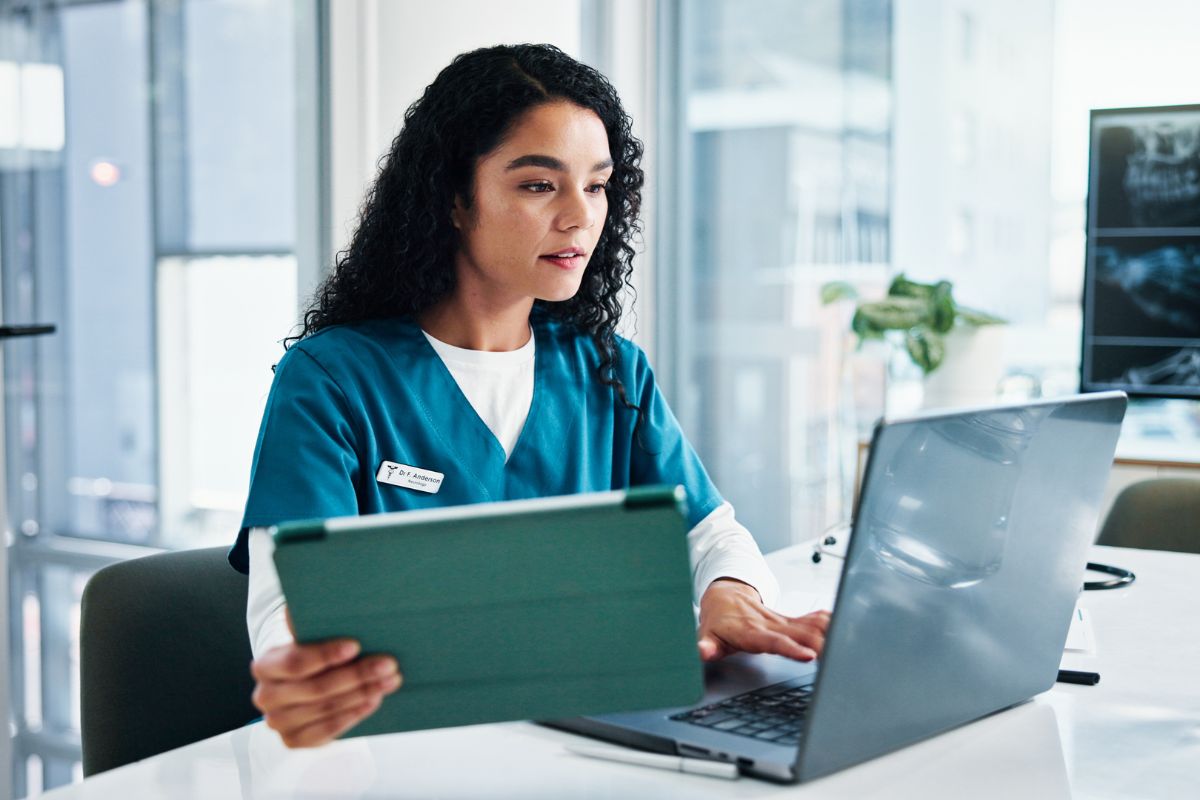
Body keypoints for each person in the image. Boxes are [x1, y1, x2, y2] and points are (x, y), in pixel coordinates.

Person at [230, 43, 830, 749]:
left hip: (582, 744)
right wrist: (297, 672)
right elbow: (287, 604)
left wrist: (732, 592)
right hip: (396, 753)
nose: (580, 217)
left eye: (598, 185)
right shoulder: (332, 380)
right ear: (455, 198)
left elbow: (710, 532)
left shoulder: (608, 371)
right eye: (540, 185)